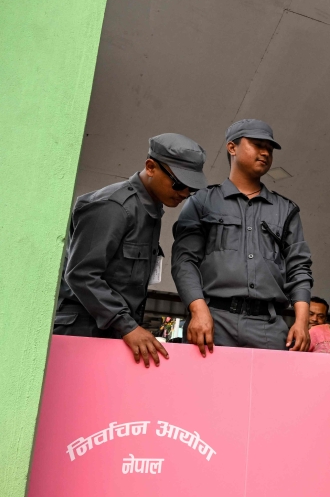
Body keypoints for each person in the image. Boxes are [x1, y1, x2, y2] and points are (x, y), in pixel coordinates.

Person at [54, 133, 207, 367]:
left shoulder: (151, 210)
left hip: (114, 331)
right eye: (179, 184)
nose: (184, 194)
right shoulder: (113, 206)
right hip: (83, 331)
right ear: (151, 166)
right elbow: (80, 274)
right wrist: (128, 326)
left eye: (191, 189)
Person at [172, 119, 313, 353]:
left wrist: (301, 322)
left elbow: (299, 267)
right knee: (208, 390)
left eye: (269, 148)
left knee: (268, 390)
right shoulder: (202, 201)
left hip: (268, 328)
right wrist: (197, 310)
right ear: (232, 147)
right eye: (257, 145)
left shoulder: (286, 210)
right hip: (213, 321)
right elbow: (184, 261)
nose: (265, 153)